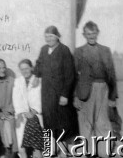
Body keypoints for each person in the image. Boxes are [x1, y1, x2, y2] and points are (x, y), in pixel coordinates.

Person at [74, 21, 119, 157]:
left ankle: (104, 153)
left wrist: (112, 96)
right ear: (84, 35)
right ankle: (88, 153)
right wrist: (75, 96)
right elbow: (74, 75)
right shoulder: (79, 51)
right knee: (86, 124)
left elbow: (111, 74)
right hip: (84, 91)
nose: (91, 36)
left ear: (97, 33)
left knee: (102, 123)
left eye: (93, 33)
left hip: (103, 90)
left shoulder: (105, 50)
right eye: (88, 34)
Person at [33, 26, 79, 156]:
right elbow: (39, 64)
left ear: (57, 37)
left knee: (63, 123)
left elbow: (70, 74)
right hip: (47, 94)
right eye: (46, 36)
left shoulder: (64, 50)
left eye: (51, 36)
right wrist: (36, 75)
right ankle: (52, 150)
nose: (48, 39)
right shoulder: (43, 49)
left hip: (60, 95)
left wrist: (65, 94)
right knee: (49, 121)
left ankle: (65, 151)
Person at [13, 59, 44, 158]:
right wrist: (21, 112)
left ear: (32, 68)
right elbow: (16, 99)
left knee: (33, 123)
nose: (24, 71)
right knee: (21, 147)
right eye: (22, 69)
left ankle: (37, 152)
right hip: (22, 114)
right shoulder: (18, 81)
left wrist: (34, 111)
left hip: (37, 114)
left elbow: (43, 98)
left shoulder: (38, 80)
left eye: (27, 68)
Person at [0, 59, 18, 158]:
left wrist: (10, 111)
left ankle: (14, 151)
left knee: (11, 123)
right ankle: (6, 149)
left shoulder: (12, 81)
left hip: (9, 111)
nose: (2, 70)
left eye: (4, 67)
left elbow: (15, 98)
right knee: (1, 124)